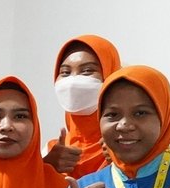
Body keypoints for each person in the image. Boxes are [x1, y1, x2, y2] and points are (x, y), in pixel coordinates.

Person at [44, 34, 122, 176]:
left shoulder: (136, 141)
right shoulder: (52, 152)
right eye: (65, 72)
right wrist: (46, 168)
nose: (73, 81)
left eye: (87, 71)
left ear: (110, 75)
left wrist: (127, 162)